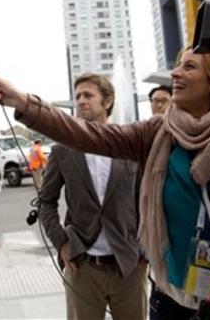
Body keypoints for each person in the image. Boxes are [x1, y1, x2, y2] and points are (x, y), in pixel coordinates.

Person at [0, 50, 210, 320]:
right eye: (178, 65)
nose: (175, 73)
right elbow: (84, 134)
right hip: (169, 298)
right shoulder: (156, 133)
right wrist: (22, 101)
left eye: (189, 67)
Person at [39, 73, 147, 320]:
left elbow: (145, 199)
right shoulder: (62, 150)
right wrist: (61, 242)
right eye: (78, 96)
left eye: (88, 95)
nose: (81, 101)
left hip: (129, 266)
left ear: (107, 102)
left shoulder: (130, 144)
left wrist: (144, 249)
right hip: (82, 266)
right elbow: (46, 202)